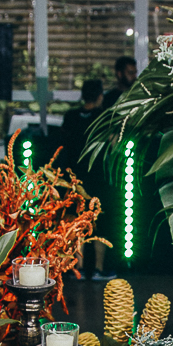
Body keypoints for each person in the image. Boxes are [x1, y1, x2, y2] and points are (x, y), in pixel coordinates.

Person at [61, 79, 115, 281]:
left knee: (78, 222)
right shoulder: (104, 117)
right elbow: (113, 143)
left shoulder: (71, 116)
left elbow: (64, 141)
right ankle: (99, 269)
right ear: (100, 95)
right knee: (100, 222)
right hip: (98, 177)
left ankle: (80, 269)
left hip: (75, 178)